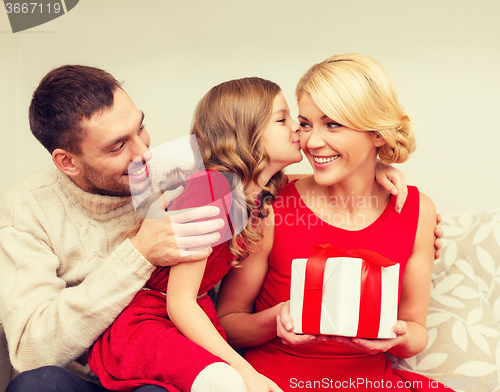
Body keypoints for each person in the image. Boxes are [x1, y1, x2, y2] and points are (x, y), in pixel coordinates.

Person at [86, 76, 419, 392]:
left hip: (187, 321)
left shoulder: (258, 193)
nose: (299, 130)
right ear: (248, 134)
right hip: (150, 322)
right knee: (226, 381)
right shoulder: (210, 191)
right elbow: (180, 303)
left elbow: (333, 175)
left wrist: (376, 167)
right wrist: (246, 372)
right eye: (283, 119)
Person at [216, 54, 451, 391]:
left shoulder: (417, 211)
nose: (311, 142)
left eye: (333, 124)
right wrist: (278, 318)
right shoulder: (272, 204)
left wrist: (393, 338)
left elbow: (416, 332)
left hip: (371, 381)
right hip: (278, 380)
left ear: (378, 133)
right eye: (306, 124)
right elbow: (228, 322)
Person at [0, 65, 230, 392]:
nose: (144, 153)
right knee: (37, 385)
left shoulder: (174, 177)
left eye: (141, 128)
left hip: (161, 368)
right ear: (68, 162)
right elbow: (31, 352)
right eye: (117, 146)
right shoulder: (25, 210)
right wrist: (139, 254)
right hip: (83, 379)